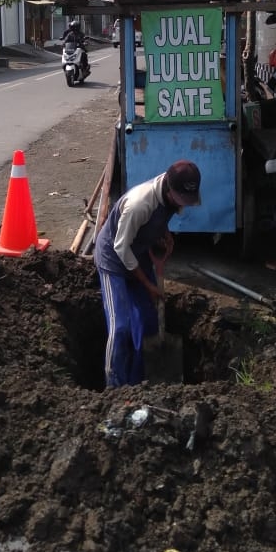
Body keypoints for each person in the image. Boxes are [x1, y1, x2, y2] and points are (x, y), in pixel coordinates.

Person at [94, 160, 201, 386]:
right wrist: (147, 284)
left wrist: (164, 233)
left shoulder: (171, 193)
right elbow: (121, 247)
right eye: (179, 198)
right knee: (120, 328)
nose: (182, 204)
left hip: (139, 253)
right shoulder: (139, 204)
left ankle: (138, 382)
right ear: (169, 188)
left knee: (148, 323)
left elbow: (161, 216)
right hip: (113, 258)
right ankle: (114, 385)